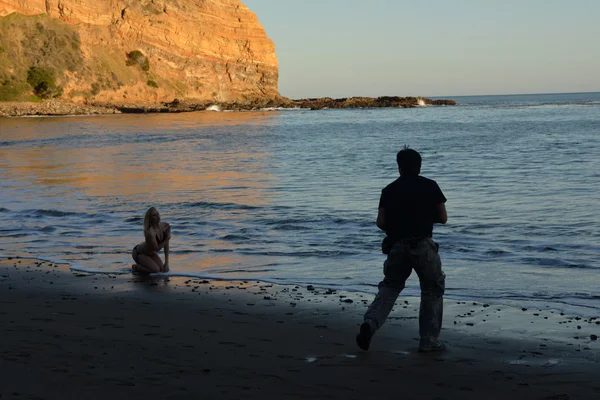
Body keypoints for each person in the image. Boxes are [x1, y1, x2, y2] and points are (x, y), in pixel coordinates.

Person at [357, 146, 448, 353]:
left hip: (397, 246)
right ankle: (429, 340)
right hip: (423, 246)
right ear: (420, 166)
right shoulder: (430, 186)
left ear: (399, 167)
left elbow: (381, 222)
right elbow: (443, 218)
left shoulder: (389, 190)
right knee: (432, 290)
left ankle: (370, 323)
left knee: (390, 287)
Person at [131, 207, 171, 273]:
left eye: (157, 213)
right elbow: (156, 248)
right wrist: (167, 239)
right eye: (154, 215)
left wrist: (166, 263)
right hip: (139, 253)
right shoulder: (149, 232)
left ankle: (146, 265)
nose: (157, 216)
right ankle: (137, 267)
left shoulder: (165, 226)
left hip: (150, 252)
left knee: (161, 269)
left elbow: (166, 245)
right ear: (150, 219)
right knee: (156, 270)